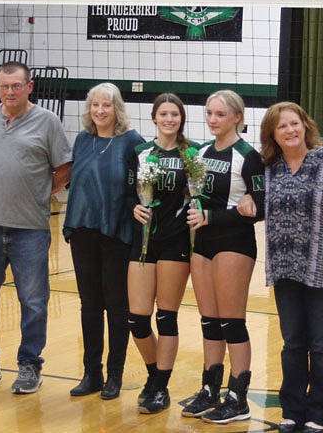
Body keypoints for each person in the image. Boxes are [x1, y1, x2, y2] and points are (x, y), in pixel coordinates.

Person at [239, 102, 323, 433]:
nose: (290, 130)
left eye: (294, 123)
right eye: (282, 126)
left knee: (322, 345)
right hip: (286, 268)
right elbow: (255, 202)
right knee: (292, 344)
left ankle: (320, 412)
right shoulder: (269, 167)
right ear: (272, 133)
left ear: (305, 125)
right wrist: (247, 203)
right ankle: (292, 410)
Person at [0, 61, 72, 394]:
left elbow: (64, 168)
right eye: (4, 86)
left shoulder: (48, 122)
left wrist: (37, 194)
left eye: (16, 86)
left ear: (29, 86)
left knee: (34, 301)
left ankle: (29, 365)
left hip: (30, 229)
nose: (9, 92)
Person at [182, 90, 265, 424]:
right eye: (209, 113)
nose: (213, 120)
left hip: (234, 243)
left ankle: (238, 397)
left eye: (220, 114)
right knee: (209, 320)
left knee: (232, 321)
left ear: (237, 117)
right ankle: (209, 388)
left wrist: (217, 217)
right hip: (202, 243)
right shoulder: (199, 152)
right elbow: (194, 195)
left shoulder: (248, 156)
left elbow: (260, 207)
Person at [63, 82, 144, 400]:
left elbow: (140, 189)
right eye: (95, 105)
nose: (99, 110)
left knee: (116, 305)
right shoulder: (83, 139)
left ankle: (115, 376)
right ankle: (91, 373)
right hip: (83, 230)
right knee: (89, 305)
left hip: (116, 233)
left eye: (106, 105)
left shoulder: (132, 142)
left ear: (117, 109)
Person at [127, 93, 196, 414]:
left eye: (175, 115)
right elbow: (128, 193)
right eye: (164, 114)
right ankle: (154, 374)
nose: (169, 119)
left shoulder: (191, 153)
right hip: (142, 242)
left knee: (166, 316)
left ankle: (159, 387)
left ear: (181, 119)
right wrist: (134, 207)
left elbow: (201, 194)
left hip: (175, 241)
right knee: (137, 319)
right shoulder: (140, 152)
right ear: (154, 117)